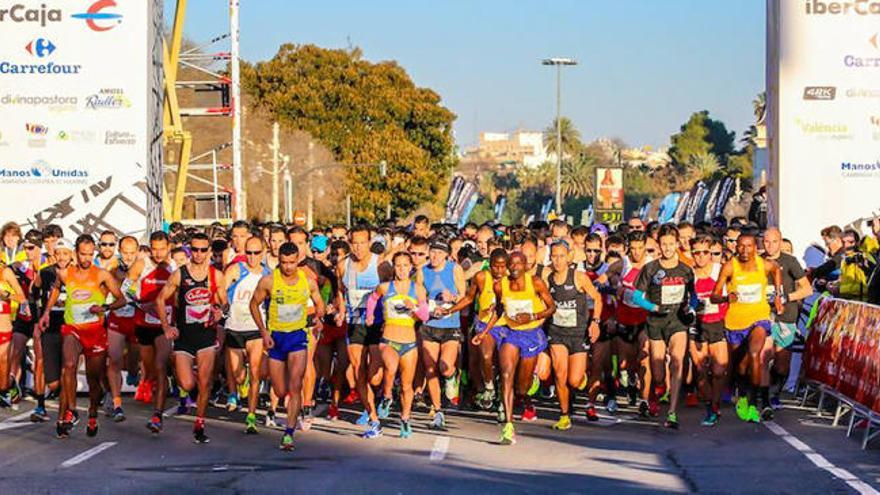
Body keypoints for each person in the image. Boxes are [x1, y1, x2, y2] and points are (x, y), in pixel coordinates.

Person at [37, 235, 126, 438]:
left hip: (94, 330)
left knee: (94, 380)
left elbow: (122, 299)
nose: (86, 258)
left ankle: (93, 413)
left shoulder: (101, 274)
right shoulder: (65, 273)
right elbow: (56, 289)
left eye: (90, 254)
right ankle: (73, 410)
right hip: (72, 328)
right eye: (83, 254)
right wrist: (46, 313)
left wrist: (103, 307)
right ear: (76, 253)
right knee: (68, 364)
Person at [251, 242, 325, 451]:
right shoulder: (269, 281)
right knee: (280, 390)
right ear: (279, 261)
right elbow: (253, 304)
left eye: (292, 262)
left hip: (298, 338)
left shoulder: (308, 282)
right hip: (276, 339)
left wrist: (319, 318)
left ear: (298, 260)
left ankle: (289, 433)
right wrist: (263, 332)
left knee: (295, 386)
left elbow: (319, 303)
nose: (288, 267)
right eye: (284, 262)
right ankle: (285, 410)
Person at [477, 251, 555, 445]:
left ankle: (531, 381)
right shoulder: (500, 286)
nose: (514, 268)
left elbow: (552, 307)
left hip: (531, 334)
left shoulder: (535, 282)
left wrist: (533, 317)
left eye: (518, 264)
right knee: (506, 375)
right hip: (511, 334)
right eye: (511, 264)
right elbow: (499, 311)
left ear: (526, 265)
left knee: (522, 388)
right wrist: (484, 332)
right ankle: (508, 426)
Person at [155, 232, 226, 443]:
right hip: (184, 335)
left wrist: (220, 311)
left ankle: (199, 423)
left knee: (205, 382)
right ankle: (192, 393)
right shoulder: (180, 274)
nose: (199, 254)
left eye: (203, 250)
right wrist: (166, 326)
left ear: (209, 251)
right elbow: (160, 300)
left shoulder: (216, 276)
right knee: (186, 383)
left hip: (206, 334)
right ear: (190, 251)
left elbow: (224, 301)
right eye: (195, 249)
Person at [712, 233, 785, 423]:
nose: (745, 250)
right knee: (740, 367)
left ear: (755, 247)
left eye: (749, 246)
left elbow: (777, 270)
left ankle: (753, 402)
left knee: (755, 354)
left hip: (759, 318)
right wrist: (727, 298)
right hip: (735, 323)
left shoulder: (764, 264)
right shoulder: (730, 267)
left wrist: (778, 295)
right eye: (741, 246)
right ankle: (743, 395)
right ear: (736, 247)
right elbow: (714, 295)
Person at [632, 224, 696, 429]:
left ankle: (672, 412)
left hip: (677, 322)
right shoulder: (650, 269)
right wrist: (654, 306)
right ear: (659, 245)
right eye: (664, 244)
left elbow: (693, 297)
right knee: (658, 371)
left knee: (677, 362)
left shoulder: (686, 270)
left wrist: (691, 309)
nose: (668, 248)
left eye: (671, 244)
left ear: (677, 244)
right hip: (656, 322)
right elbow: (635, 296)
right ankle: (658, 388)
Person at [366, 252, 428, 438]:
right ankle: (386, 396)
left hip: (409, 342)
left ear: (411, 267)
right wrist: (370, 315)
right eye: (398, 266)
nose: (401, 270)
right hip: (388, 339)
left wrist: (414, 308)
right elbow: (372, 298)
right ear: (394, 267)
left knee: (407, 386)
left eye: (405, 266)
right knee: (390, 367)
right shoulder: (385, 287)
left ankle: (405, 420)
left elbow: (425, 316)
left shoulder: (418, 289)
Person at [544, 241, 602, 431]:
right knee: (560, 374)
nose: (558, 261)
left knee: (574, 380)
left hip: (578, 334)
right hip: (557, 332)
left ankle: (581, 379)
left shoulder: (578, 277)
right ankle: (564, 415)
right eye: (554, 256)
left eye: (562, 256)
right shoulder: (547, 277)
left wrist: (595, 322)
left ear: (569, 257)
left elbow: (597, 298)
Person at [335, 225, 387, 437]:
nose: (358, 247)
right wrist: (340, 310)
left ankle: (382, 394)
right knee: (358, 370)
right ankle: (373, 417)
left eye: (362, 243)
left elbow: (391, 290)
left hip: (378, 323)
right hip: (355, 322)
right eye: (354, 243)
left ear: (369, 242)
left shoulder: (381, 264)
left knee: (374, 376)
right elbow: (340, 290)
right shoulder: (342, 265)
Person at [128, 231, 174, 433]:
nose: (158, 253)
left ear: (168, 247)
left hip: (164, 325)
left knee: (160, 365)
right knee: (150, 367)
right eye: (154, 248)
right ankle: (148, 380)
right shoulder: (142, 265)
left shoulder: (175, 267)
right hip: (144, 324)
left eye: (162, 249)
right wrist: (140, 304)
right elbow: (125, 288)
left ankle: (157, 415)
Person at [224, 236, 271, 433]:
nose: (252, 257)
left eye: (256, 253)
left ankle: (251, 416)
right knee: (238, 375)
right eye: (248, 253)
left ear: (263, 253)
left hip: (256, 329)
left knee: (255, 372)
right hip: (235, 327)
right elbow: (221, 291)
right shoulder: (236, 270)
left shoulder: (268, 275)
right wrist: (221, 306)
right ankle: (239, 387)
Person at [762, 228, 811, 409]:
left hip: (786, 315)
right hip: (763, 315)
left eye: (774, 242)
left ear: (780, 241)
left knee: (782, 362)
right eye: (767, 242)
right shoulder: (757, 261)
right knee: (764, 356)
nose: (770, 246)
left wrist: (786, 297)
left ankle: (775, 392)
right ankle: (764, 395)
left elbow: (807, 289)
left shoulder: (789, 261)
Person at [420, 239, 466, 429]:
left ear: (446, 255)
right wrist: (427, 310)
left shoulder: (454, 269)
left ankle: (450, 377)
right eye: (432, 252)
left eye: (439, 253)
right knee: (430, 369)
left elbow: (464, 295)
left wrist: (452, 298)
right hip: (430, 324)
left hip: (450, 325)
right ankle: (438, 411)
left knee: (445, 366)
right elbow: (419, 296)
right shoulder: (423, 271)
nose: (435, 256)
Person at [31, 238, 73, 421]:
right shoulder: (46, 272)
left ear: (71, 254)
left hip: (71, 325)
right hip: (50, 325)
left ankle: (65, 415)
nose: (62, 257)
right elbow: (33, 294)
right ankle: (44, 404)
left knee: (67, 369)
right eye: (58, 254)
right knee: (54, 382)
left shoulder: (77, 273)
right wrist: (36, 320)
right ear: (53, 255)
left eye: (65, 253)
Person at [689, 234, 729, 427]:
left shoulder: (720, 271)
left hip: (717, 323)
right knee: (701, 370)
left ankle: (715, 402)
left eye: (705, 252)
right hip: (696, 326)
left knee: (719, 370)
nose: (701, 257)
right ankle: (711, 407)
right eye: (697, 253)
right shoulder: (689, 274)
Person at [609, 231, 650, 412]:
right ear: (628, 248)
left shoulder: (652, 264)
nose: (636, 253)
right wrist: (614, 282)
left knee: (644, 358)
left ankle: (645, 400)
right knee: (628, 363)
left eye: (640, 248)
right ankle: (632, 380)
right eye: (633, 248)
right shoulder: (623, 263)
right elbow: (608, 273)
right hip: (625, 319)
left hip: (645, 320)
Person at [105, 236, 140, 422]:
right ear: (120, 251)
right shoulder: (112, 268)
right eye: (125, 253)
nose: (128, 257)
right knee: (114, 360)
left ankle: (134, 371)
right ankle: (117, 403)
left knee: (133, 360)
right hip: (117, 318)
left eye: (131, 253)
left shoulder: (142, 267)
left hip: (136, 319)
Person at [0, 254, 27, 408]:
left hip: (3, 326)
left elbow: (22, 297)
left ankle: (4, 392)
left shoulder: (5, 272)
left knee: (3, 362)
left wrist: (6, 295)